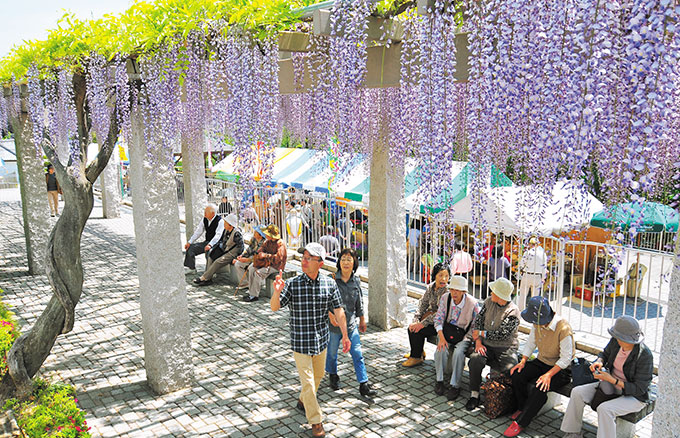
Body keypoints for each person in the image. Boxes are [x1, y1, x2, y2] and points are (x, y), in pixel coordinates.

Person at [271, 243, 351, 438]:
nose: (304, 261)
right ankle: (316, 421)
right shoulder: (293, 284)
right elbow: (275, 307)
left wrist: (345, 335)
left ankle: (302, 400)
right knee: (308, 382)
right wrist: (276, 291)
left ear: (320, 263)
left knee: (317, 377)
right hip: (300, 343)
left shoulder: (329, 283)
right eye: (303, 257)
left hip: (321, 340)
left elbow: (339, 310)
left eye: (309, 258)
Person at [561, 316, 652, 438]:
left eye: (620, 338)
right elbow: (604, 354)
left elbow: (640, 388)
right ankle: (572, 433)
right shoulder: (616, 341)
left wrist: (612, 380)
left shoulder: (644, 355)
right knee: (577, 392)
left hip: (634, 396)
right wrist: (599, 361)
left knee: (605, 409)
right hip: (609, 386)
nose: (617, 340)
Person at [503, 296, 574, 437]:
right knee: (517, 374)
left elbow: (566, 358)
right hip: (542, 361)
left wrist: (548, 375)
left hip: (561, 369)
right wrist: (522, 361)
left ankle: (522, 422)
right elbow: (531, 342)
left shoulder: (563, 327)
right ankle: (522, 407)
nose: (537, 325)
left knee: (539, 386)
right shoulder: (537, 323)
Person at [325, 248, 377, 398]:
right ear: (339, 262)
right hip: (334, 327)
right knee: (332, 354)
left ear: (354, 262)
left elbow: (359, 301)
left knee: (357, 353)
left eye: (349, 259)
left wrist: (361, 319)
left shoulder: (356, 280)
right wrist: (330, 314)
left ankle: (364, 384)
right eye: (343, 259)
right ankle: (333, 374)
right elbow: (323, 301)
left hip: (350, 325)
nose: (346, 262)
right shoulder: (331, 279)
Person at [465, 277, 520, 410]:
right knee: (475, 359)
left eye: (493, 291)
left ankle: (510, 401)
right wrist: (478, 342)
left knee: (512, 368)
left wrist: (481, 333)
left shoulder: (513, 311)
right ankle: (474, 394)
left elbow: (502, 334)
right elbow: (478, 322)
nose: (490, 293)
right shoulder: (488, 302)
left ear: (500, 295)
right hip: (486, 345)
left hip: (505, 347)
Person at [433, 275, 480, 400]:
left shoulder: (472, 304)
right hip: (446, 332)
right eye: (452, 289)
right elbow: (438, 319)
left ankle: (455, 385)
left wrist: (467, 339)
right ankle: (440, 380)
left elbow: (476, 325)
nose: (454, 292)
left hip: (464, 335)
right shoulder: (445, 298)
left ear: (464, 291)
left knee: (459, 353)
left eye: (458, 290)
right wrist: (441, 338)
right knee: (440, 350)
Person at [402, 263, 451, 367]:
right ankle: (417, 352)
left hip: (441, 324)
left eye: (446, 276)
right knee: (412, 327)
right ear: (434, 276)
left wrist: (422, 324)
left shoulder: (447, 292)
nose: (444, 279)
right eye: (440, 275)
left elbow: (441, 314)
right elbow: (422, 304)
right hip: (430, 319)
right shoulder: (430, 287)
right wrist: (416, 319)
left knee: (417, 330)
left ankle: (416, 357)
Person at [193, 214, 244, 286]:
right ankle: (208, 279)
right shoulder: (226, 230)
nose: (224, 223)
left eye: (226, 222)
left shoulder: (237, 234)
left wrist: (237, 257)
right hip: (225, 251)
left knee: (218, 261)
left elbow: (241, 247)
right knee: (211, 256)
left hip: (232, 254)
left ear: (230, 225)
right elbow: (222, 241)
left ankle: (204, 277)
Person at [243, 224, 287, 302]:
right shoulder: (268, 242)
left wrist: (266, 256)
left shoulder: (280, 244)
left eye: (267, 234)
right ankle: (251, 291)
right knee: (251, 268)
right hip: (266, 263)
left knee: (258, 273)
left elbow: (278, 259)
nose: (266, 235)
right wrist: (259, 253)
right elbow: (262, 249)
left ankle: (254, 295)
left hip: (276, 266)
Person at [183, 204, 224, 274]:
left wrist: (210, 245)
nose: (204, 214)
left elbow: (218, 235)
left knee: (210, 252)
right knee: (191, 248)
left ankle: (210, 272)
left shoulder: (220, 221)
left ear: (213, 213)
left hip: (217, 244)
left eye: (206, 212)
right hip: (207, 242)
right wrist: (189, 242)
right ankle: (191, 268)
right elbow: (198, 232)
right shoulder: (204, 219)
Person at [517, 236, 547, 311]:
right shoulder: (543, 254)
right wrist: (543, 278)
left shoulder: (527, 252)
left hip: (527, 275)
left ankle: (521, 310)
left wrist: (522, 268)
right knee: (535, 296)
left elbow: (521, 264)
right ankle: (533, 311)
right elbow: (544, 267)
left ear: (530, 244)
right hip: (537, 276)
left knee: (523, 294)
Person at [233, 225, 266, 290]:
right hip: (251, 257)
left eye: (256, 232)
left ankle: (253, 287)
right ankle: (244, 283)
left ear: (260, 235)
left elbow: (259, 257)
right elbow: (249, 249)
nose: (254, 232)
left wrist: (247, 260)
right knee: (237, 264)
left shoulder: (264, 243)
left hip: (260, 260)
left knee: (251, 267)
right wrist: (242, 256)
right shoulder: (253, 239)